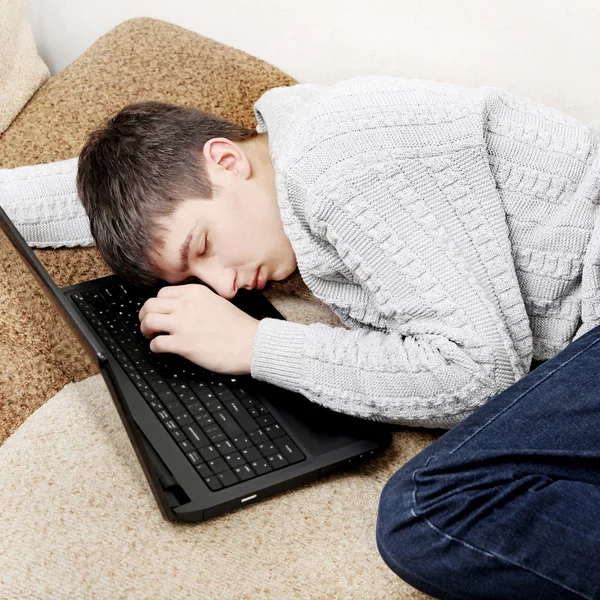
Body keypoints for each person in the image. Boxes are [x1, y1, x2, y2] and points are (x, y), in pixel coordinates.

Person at [1, 75, 600, 597]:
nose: (224, 287)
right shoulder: (268, 162)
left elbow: (479, 375)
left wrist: (256, 346)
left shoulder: (339, 159)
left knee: (426, 512)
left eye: (202, 248)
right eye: (193, 277)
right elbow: (120, 199)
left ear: (226, 161)